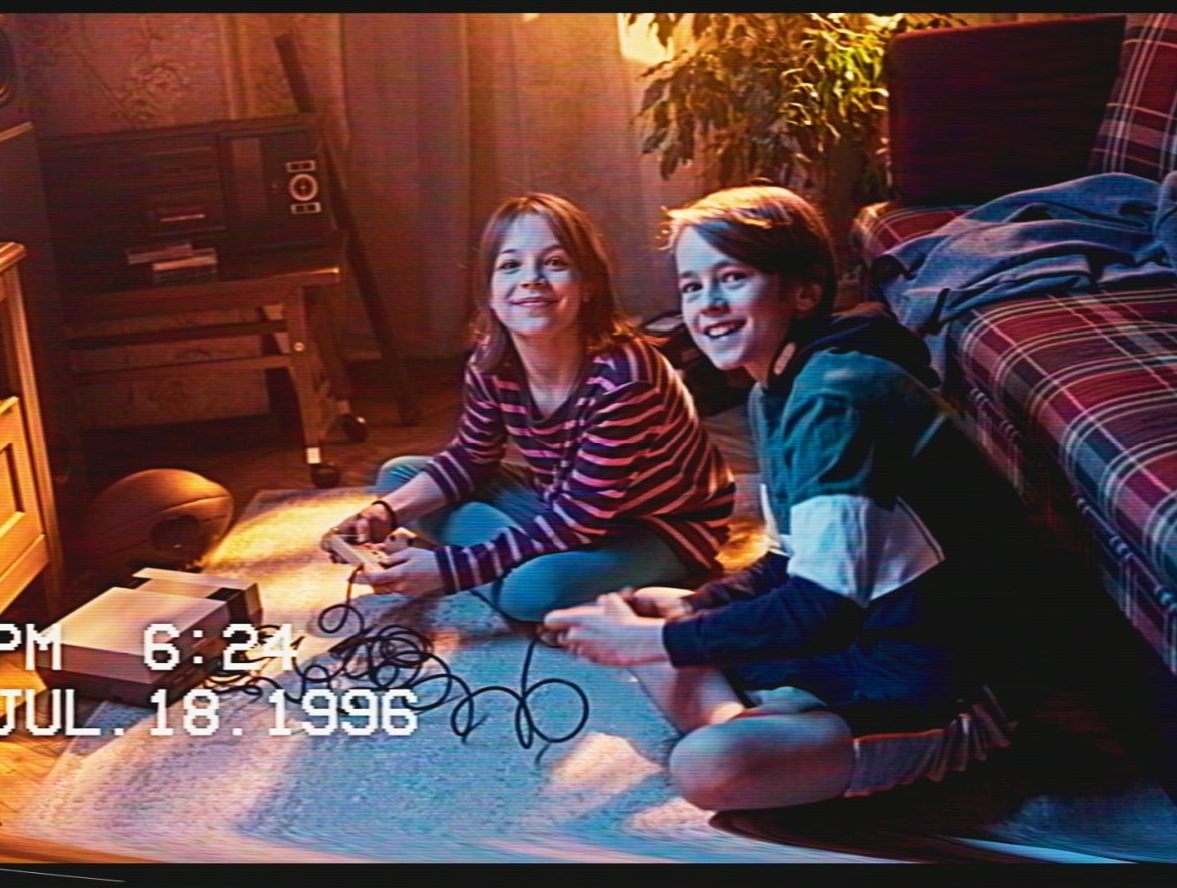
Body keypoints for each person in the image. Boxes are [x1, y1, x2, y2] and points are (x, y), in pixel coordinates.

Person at [542, 184, 1044, 810]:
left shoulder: (835, 395)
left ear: (804, 291)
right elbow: (787, 562)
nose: (708, 305)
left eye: (733, 278)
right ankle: (772, 734)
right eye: (692, 287)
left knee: (706, 763)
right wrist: (696, 606)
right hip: (862, 633)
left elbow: (822, 608)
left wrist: (658, 643)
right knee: (661, 615)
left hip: (942, 676)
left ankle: (764, 738)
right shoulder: (775, 388)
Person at [332, 193, 735, 622]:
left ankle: (509, 560)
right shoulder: (492, 363)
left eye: (555, 263)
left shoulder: (626, 378)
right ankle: (515, 554)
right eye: (510, 265)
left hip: (659, 527)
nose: (532, 280)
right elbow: (472, 456)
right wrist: (385, 513)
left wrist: (450, 571)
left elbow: (580, 519)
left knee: (529, 593)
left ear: (588, 285)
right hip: (561, 502)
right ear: (489, 292)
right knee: (397, 478)